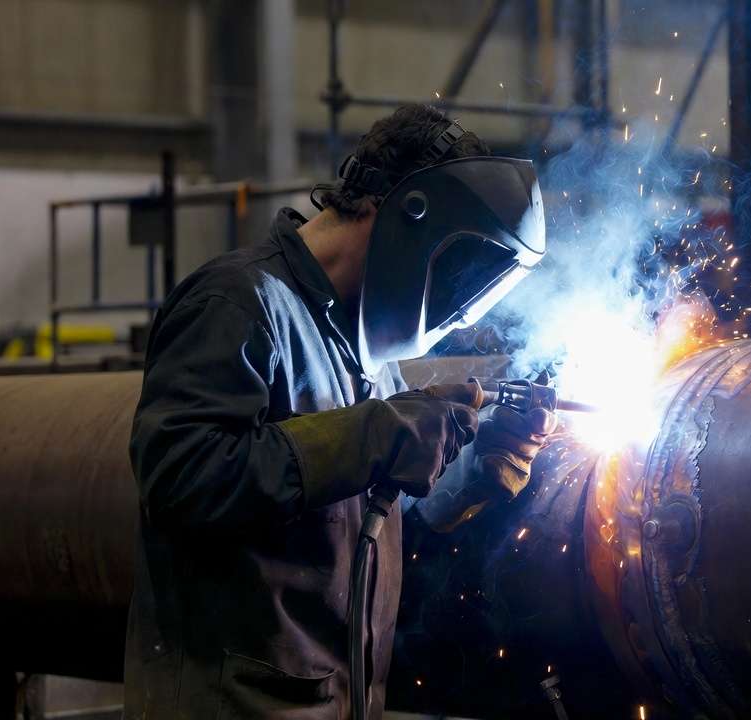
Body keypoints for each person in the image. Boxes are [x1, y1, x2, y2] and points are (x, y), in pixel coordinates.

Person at [125, 104, 554, 719]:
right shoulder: (239, 304)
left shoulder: (367, 353)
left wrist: (478, 467)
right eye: (458, 271)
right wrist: (378, 433)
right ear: (403, 215)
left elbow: (375, 515)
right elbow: (179, 477)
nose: (457, 309)